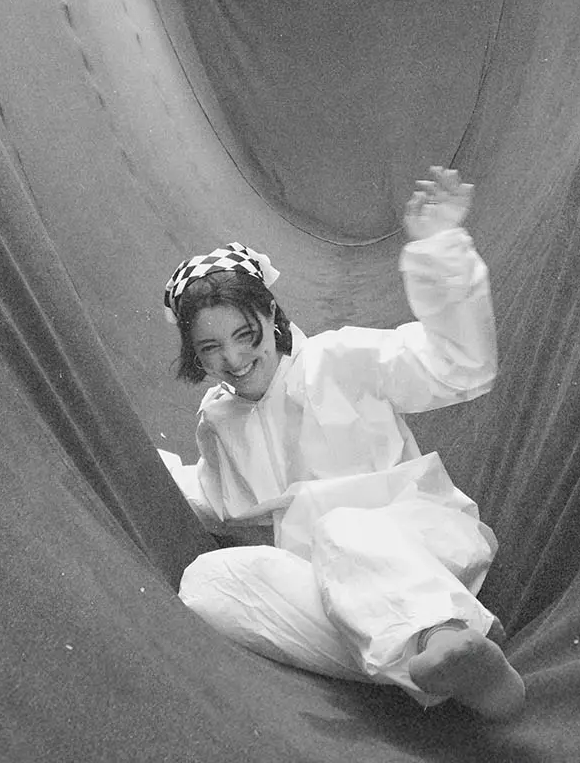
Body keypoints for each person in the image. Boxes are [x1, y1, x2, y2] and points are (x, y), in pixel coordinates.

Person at [156, 167, 524, 720]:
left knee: (342, 528)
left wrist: (439, 249)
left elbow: (460, 367)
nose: (232, 359)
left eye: (243, 334)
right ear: (195, 355)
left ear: (270, 316)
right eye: (211, 348)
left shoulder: (339, 359)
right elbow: (218, 498)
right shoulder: (220, 419)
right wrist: (139, 468)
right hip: (334, 590)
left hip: (413, 550)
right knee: (207, 584)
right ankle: (432, 660)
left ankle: (441, 634)